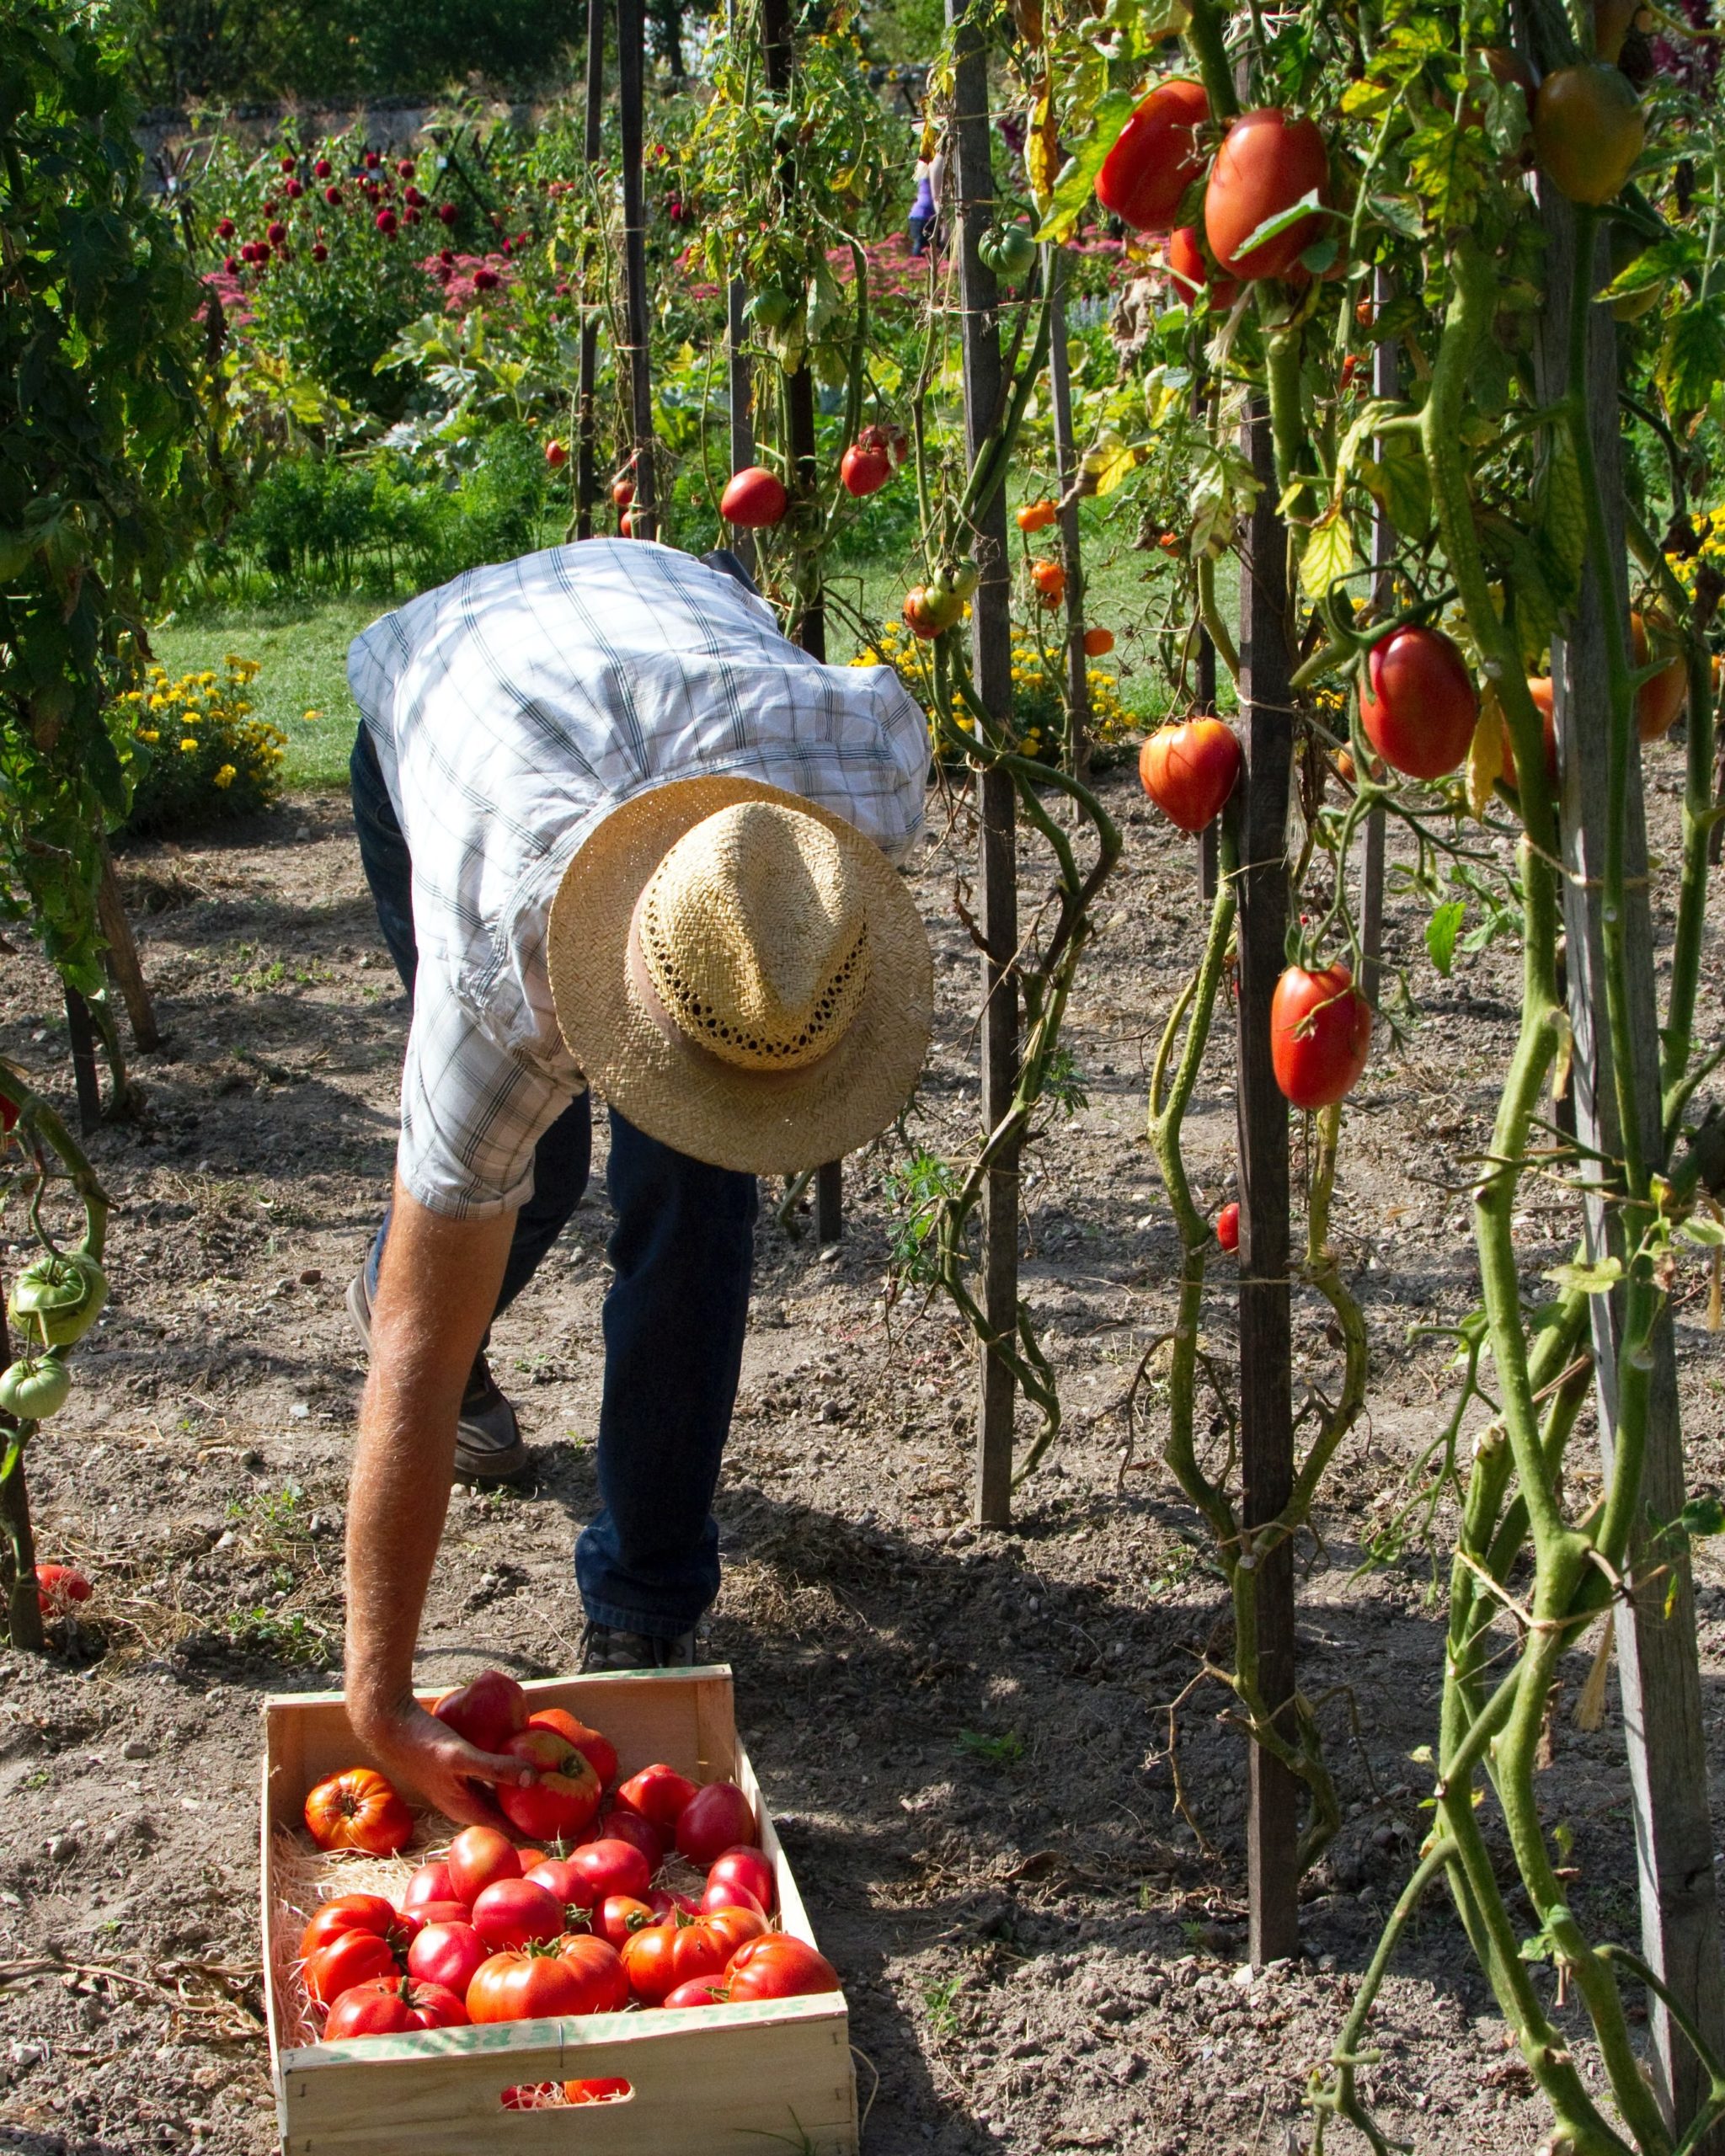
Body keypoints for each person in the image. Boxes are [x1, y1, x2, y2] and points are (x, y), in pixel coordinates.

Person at [340, 538, 932, 1825]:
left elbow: (772, 961)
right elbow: (409, 1359)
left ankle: (645, 1600)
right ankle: (428, 1272)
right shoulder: (501, 984)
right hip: (448, 701)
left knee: (699, 1205)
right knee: (519, 1179)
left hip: (659, 616)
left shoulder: (844, 805)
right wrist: (379, 1704)